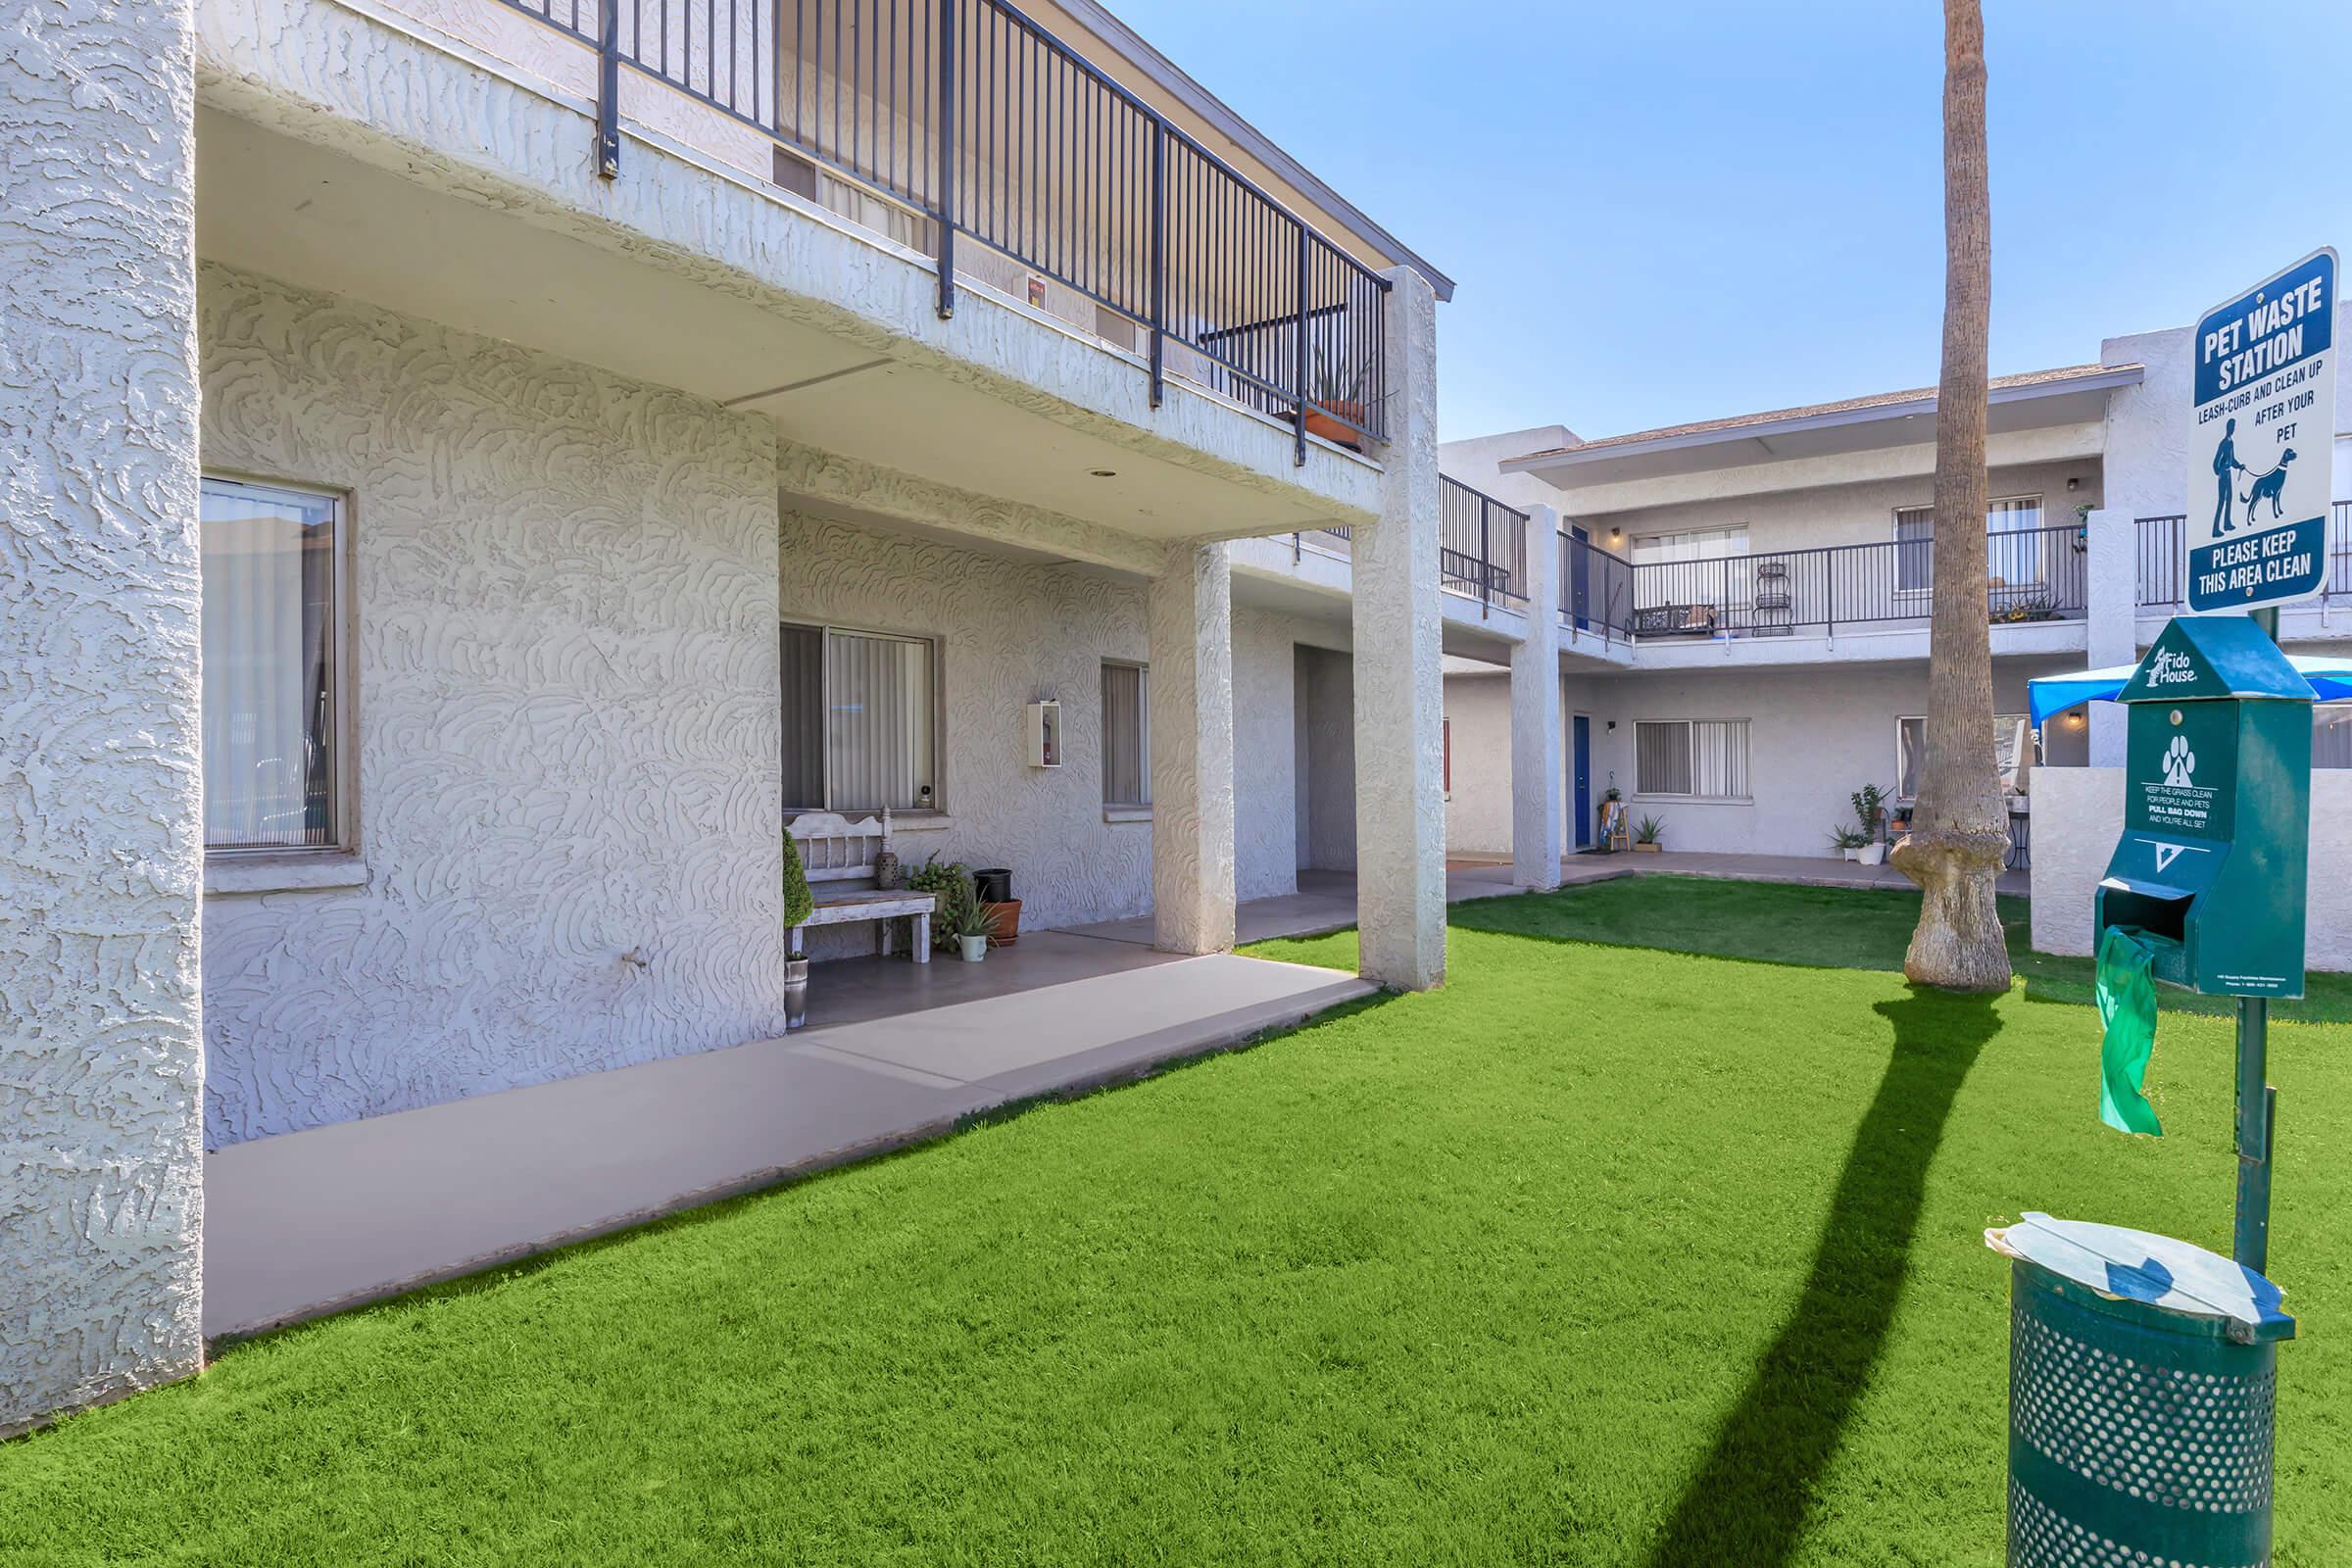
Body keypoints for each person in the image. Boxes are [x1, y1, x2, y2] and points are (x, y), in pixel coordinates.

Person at [2213, 418, 2247, 534]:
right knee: (2222, 500)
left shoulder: (2231, 442)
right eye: (2231, 427)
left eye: (2234, 427)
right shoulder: (2224, 443)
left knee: (2230, 498)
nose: (2233, 429)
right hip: (2224, 475)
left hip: (2228, 474)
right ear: (2228, 428)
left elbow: (2232, 459)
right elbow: (2215, 462)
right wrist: (2220, 473)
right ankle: (2215, 529)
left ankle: (2227, 523)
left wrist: (2239, 466)